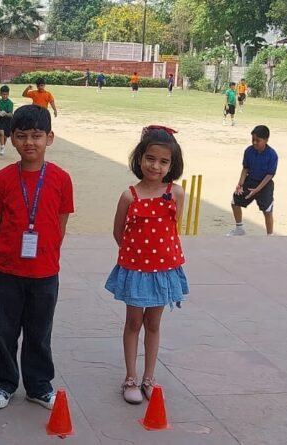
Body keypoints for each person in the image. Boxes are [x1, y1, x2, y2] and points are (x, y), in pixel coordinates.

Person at [0, 105, 74, 411]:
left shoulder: (61, 178)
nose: (29, 142)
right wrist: (11, 248)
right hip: (8, 269)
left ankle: (38, 386)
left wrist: (46, 251)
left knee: (39, 332)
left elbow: (60, 222)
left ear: (50, 138)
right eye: (22, 136)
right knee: (5, 331)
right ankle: (4, 383)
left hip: (45, 271)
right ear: (12, 139)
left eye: (37, 135)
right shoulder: (3, 178)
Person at [106, 125, 189, 404]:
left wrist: (157, 257)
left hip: (162, 271)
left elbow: (173, 228)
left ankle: (149, 377)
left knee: (153, 323)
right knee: (133, 322)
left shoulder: (176, 193)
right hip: (136, 271)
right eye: (150, 158)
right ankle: (130, 377)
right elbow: (118, 231)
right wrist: (135, 256)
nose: (155, 166)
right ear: (139, 158)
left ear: (172, 165)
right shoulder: (129, 196)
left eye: (163, 161)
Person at [227, 125, 278, 236]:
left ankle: (270, 236)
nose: (254, 143)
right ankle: (239, 229)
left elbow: (269, 175)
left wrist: (256, 190)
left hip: (265, 184)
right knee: (235, 201)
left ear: (266, 140)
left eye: (258, 140)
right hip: (250, 180)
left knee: (267, 209)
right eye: (253, 140)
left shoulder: (272, 155)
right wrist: (240, 184)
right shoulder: (249, 151)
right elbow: (245, 168)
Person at [0, 85, 14, 157]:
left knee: (5, 136)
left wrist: (5, 113)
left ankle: (2, 146)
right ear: (0, 94)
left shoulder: (10, 103)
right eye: (3, 94)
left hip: (8, 120)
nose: (4, 96)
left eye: (6, 94)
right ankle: (2, 147)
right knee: (1, 133)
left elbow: (11, 114)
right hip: (0, 119)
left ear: (8, 94)